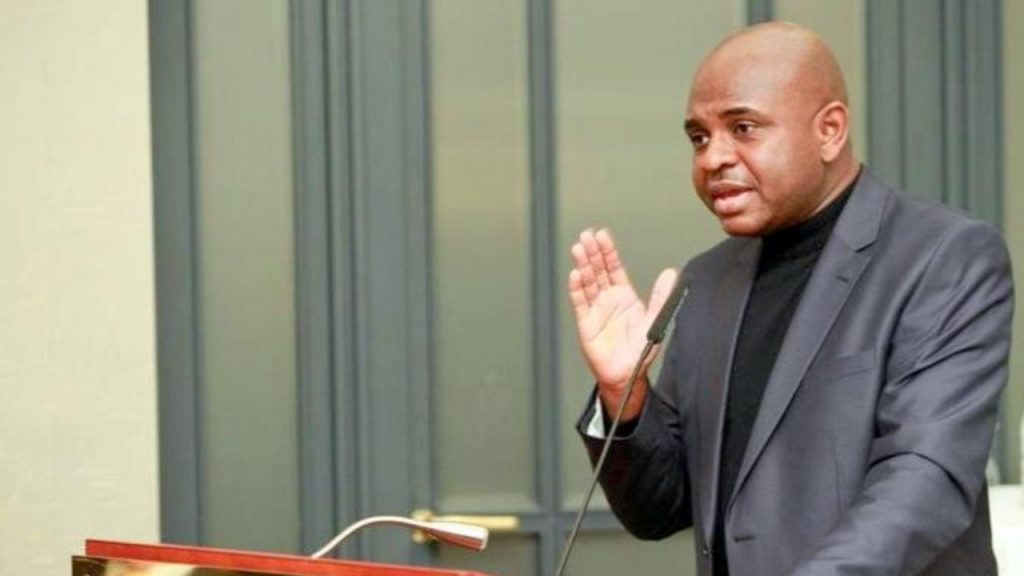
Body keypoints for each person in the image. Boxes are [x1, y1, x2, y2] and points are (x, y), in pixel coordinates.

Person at [569, 22, 1014, 576]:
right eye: (699, 137)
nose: (712, 158)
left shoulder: (943, 257)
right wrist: (625, 394)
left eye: (743, 127)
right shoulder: (706, 280)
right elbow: (659, 509)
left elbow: (924, 482)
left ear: (829, 130)